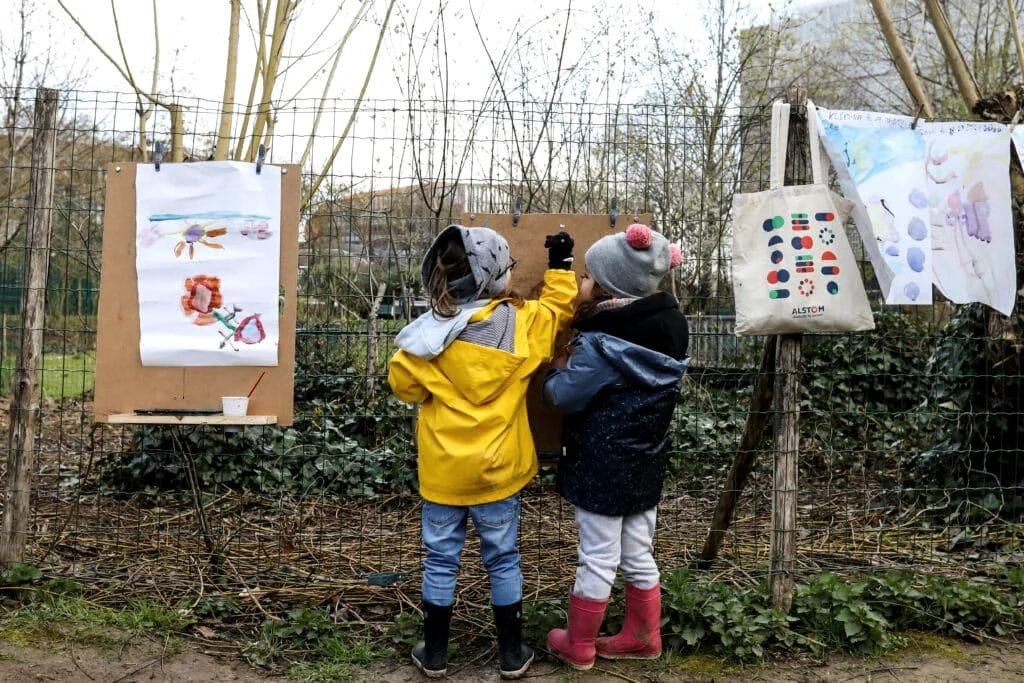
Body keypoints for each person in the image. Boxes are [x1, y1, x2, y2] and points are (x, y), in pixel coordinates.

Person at [388, 224, 577, 680]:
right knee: (504, 557)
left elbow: (405, 386)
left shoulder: (424, 342)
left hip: (443, 476)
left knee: (440, 559)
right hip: (499, 473)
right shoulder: (522, 324)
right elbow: (557, 311)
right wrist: (561, 265)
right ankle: (512, 655)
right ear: (494, 277)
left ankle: (434, 655)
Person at [542, 222, 689, 670]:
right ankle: (644, 636)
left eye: (586, 277)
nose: (581, 283)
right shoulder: (671, 327)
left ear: (607, 288)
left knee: (598, 555)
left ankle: (580, 644)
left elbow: (563, 396)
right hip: (645, 461)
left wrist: (556, 368)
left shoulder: (604, 344)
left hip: (602, 465)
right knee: (638, 552)